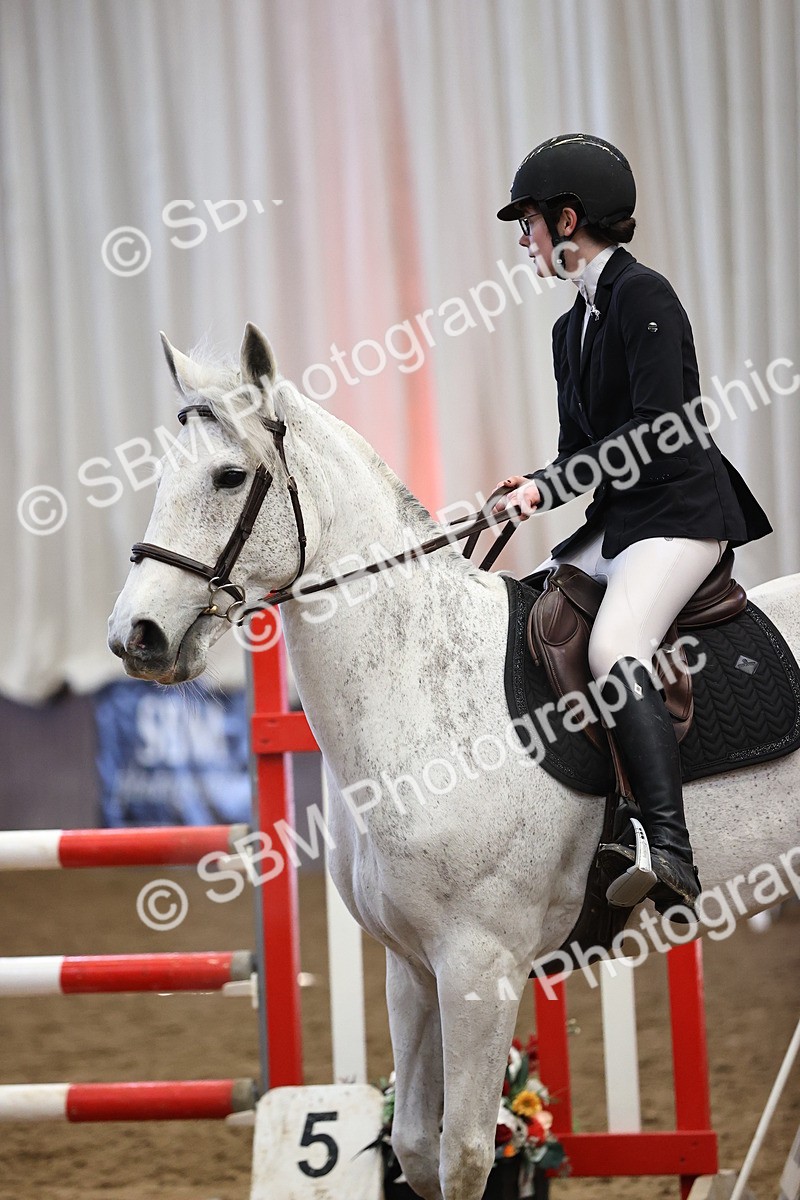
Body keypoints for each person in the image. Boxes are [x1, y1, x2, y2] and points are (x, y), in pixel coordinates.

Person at [493, 133, 772, 914]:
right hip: (621, 520)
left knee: (616, 644)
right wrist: (536, 483)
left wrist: (550, 488)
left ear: (568, 218)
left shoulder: (644, 296)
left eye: (530, 222)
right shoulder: (568, 329)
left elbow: (658, 430)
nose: (524, 239)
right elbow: (577, 452)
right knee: (534, 610)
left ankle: (670, 846)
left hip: (680, 511)